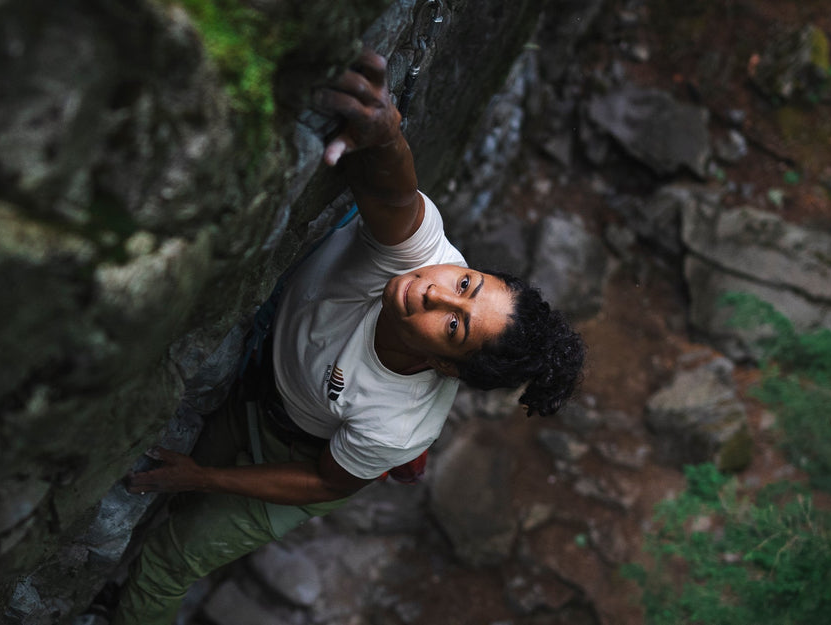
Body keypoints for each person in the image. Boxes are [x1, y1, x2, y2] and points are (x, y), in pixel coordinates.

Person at [110, 48, 585, 624]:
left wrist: (204, 475)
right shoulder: (422, 258)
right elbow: (393, 196)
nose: (435, 293)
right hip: (259, 390)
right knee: (181, 501)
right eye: (465, 283)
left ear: (448, 368)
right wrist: (385, 135)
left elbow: (321, 482)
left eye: (454, 326)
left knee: (169, 560)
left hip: (298, 452)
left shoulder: (400, 424)